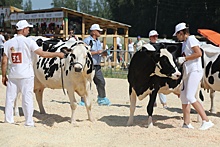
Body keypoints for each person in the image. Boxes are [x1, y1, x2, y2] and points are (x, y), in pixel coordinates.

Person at [1, 20, 65, 127]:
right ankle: (28, 121)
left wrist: (3, 75)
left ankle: (8, 120)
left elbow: (4, 61)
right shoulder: (29, 42)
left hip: (13, 74)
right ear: (24, 29)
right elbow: (43, 54)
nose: (29, 31)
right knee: (27, 98)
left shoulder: (8, 43)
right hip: (26, 74)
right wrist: (57, 54)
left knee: (10, 98)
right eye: (28, 29)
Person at [174, 22, 214, 130]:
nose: (177, 37)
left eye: (177, 34)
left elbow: (199, 53)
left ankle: (206, 120)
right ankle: (187, 123)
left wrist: (185, 59)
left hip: (195, 71)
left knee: (190, 96)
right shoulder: (185, 42)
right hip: (188, 71)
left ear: (181, 33)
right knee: (183, 96)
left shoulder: (191, 39)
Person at [80, 24, 111, 106]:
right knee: (86, 83)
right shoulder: (86, 41)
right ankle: (83, 100)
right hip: (89, 66)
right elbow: (84, 52)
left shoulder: (97, 41)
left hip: (97, 66)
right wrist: (97, 52)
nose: (100, 32)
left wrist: (104, 54)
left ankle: (102, 98)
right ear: (93, 32)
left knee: (101, 82)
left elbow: (98, 53)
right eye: (98, 31)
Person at [148, 30, 168, 109]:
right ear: (150, 37)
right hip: (150, 70)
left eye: (156, 36)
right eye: (154, 36)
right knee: (150, 87)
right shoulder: (148, 46)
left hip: (159, 69)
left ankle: (164, 103)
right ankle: (153, 102)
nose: (155, 38)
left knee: (160, 86)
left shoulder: (160, 45)